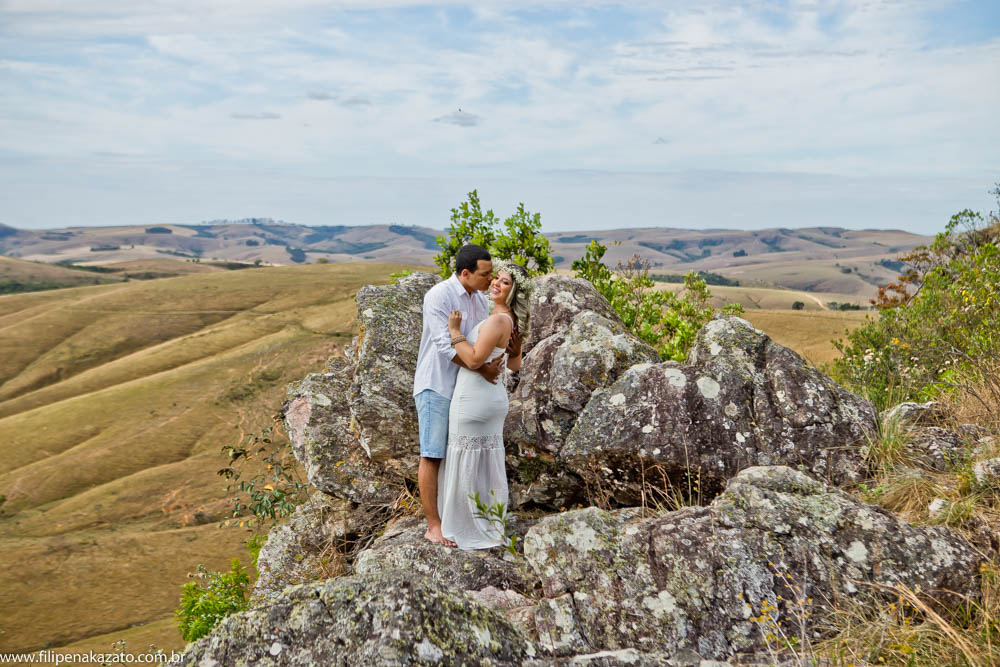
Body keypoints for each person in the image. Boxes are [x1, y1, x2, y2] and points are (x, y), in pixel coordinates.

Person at [413, 244, 502, 546]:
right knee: (432, 453)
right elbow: (445, 346)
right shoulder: (439, 296)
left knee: (457, 454)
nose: (490, 281)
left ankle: (461, 518)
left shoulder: (479, 300)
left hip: (464, 389)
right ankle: (433, 525)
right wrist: (482, 370)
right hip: (436, 384)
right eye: (485, 275)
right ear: (465, 273)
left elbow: (478, 345)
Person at [438, 260, 529, 550]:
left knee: (465, 456)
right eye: (496, 278)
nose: (496, 284)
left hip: (475, 397)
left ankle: (464, 527)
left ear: (514, 292)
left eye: (504, 282)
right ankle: (488, 521)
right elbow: (514, 364)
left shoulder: (498, 320)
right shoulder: (509, 321)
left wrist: (455, 332)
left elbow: (475, 359)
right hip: (491, 397)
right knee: (484, 461)